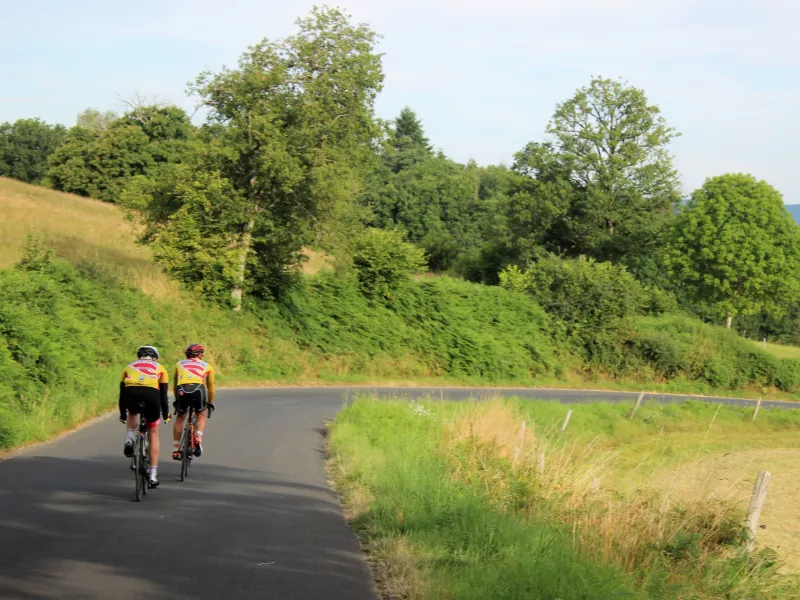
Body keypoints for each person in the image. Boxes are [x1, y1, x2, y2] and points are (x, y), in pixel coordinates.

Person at [119, 345, 170, 488]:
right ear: (155, 357)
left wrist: (122, 413)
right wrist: (166, 415)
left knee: (133, 412)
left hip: (130, 393)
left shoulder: (129, 366)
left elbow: (122, 393)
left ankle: (129, 438)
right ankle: (153, 475)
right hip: (151, 395)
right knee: (153, 432)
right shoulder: (160, 368)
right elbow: (164, 396)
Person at [172, 343, 216, 460]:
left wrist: (177, 400)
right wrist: (210, 402)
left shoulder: (179, 364)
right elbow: (211, 387)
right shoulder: (207, 366)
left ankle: (175, 449)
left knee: (180, 417)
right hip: (198, 390)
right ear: (200, 354)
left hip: (182, 390)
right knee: (201, 414)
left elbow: (175, 386)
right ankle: (197, 436)